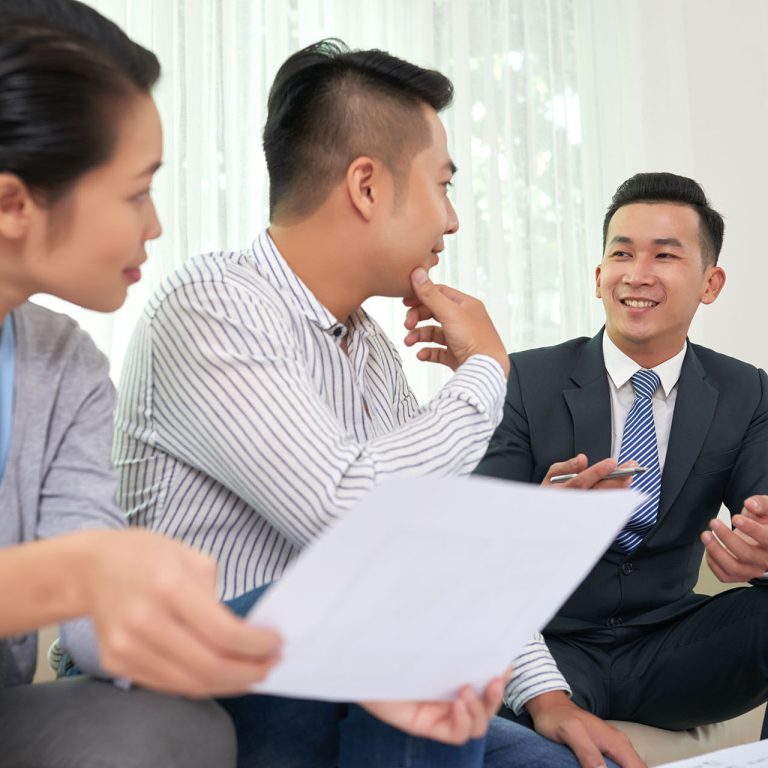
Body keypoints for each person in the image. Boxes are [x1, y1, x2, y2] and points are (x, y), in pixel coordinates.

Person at [113, 38, 631, 768]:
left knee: (562, 762)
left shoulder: (371, 351)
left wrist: (547, 696)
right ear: (366, 186)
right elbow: (350, 511)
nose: (450, 221)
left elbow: (434, 548)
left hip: (350, 674)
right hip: (200, 675)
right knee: (401, 604)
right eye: (443, 185)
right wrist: (486, 369)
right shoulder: (211, 302)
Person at [0, 4, 292, 767]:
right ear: (12, 204)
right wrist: (74, 574)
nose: (155, 226)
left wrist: (325, 671)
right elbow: (81, 570)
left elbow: (98, 628)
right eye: (136, 193)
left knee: (181, 728)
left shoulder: (65, 364)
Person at [475, 172, 768, 750]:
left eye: (664, 255)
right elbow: (474, 533)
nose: (637, 275)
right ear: (598, 276)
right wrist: (539, 515)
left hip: (674, 647)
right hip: (551, 645)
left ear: (711, 283)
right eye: (622, 254)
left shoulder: (746, 391)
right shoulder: (525, 380)